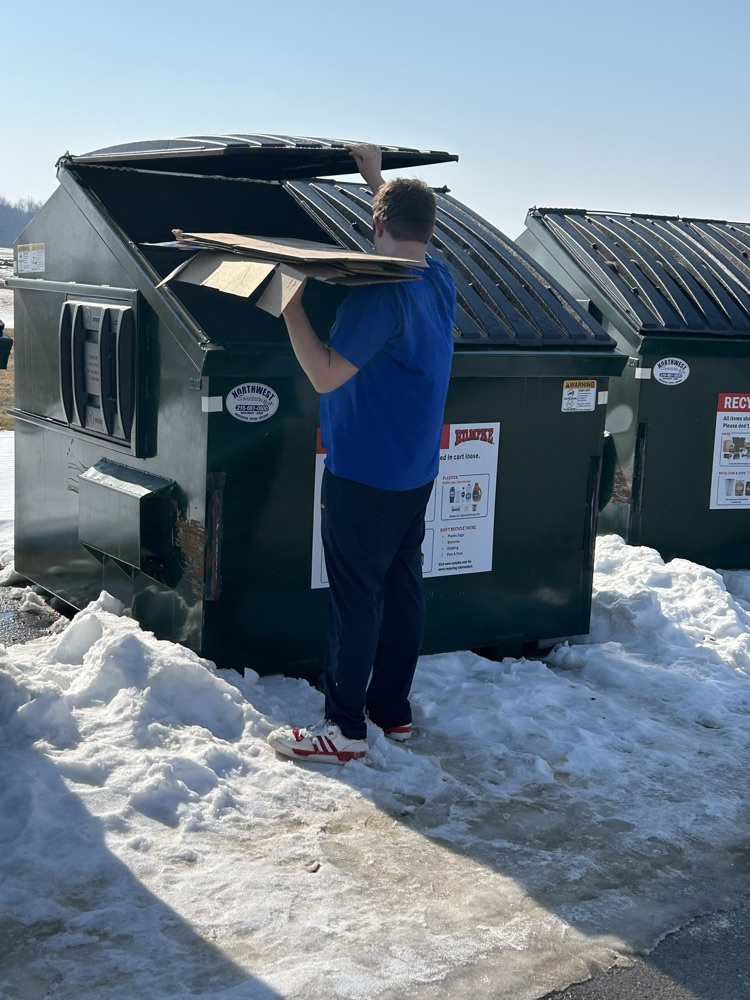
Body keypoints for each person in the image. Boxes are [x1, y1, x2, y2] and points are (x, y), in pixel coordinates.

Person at [267, 143, 456, 764]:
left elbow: (326, 375)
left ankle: (343, 728)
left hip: (364, 475)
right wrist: (376, 179)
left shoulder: (378, 297)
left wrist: (290, 305)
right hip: (414, 471)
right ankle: (392, 711)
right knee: (402, 587)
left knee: (355, 598)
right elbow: (401, 232)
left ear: (376, 224)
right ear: (429, 227)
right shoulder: (438, 279)